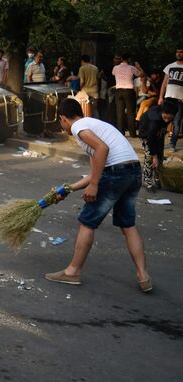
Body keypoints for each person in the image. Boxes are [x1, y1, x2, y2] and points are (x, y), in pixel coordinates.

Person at [45, 98, 152, 293]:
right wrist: (67, 189)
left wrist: (94, 186)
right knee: (128, 225)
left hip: (116, 173)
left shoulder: (78, 127)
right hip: (133, 171)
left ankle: (73, 272)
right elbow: (95, 171)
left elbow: (103, 150)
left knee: (87, 222)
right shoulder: (93, 125)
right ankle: (143, 275)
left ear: (63, 119)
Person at [139, 103, 177, 192]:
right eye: (165, 118)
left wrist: (158, 155)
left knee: (160, 156)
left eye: (169, 118)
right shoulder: (155, 119)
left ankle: (158, 178)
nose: (167, 120)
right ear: (161, 112)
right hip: (147, 135)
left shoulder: (167, 114)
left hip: (158, 133)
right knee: (150, 157)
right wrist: (154, 156)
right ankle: (148, 182)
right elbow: (150, 138)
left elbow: (159, 136)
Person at [158, 47, 183, 152]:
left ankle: (172, 144)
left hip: (180, 100)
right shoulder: (170, 66)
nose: (179, 54)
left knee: (176, 122)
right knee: (163, 121)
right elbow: (164, 83)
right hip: (168, 97)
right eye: (177, 52)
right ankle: (159, 143)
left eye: (181, 52)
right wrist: (160, 97)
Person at [112, 53, 143, 137]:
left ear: (121, 58)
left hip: (118, 91)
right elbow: (141, 75)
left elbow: (113, 74)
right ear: (129, 59)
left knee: (119, 113)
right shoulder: (131, 68)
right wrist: (138, 67)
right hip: (129, 91)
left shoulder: (115, 68)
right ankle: (132, 133)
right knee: (130, 112)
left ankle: (120, 133)